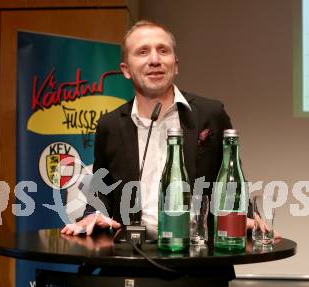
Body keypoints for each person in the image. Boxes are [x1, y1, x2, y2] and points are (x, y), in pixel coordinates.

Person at [61, 20, 255, 237]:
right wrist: (93, 212)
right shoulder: (111, 125)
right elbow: (101, 186)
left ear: (176, 64)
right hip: (135, 255)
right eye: (143, 52)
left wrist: (247, 215)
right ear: (126, 70)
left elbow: (231, 174)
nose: (155, 60)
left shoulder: (211, 114)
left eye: (163, 51)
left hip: (202, 256)